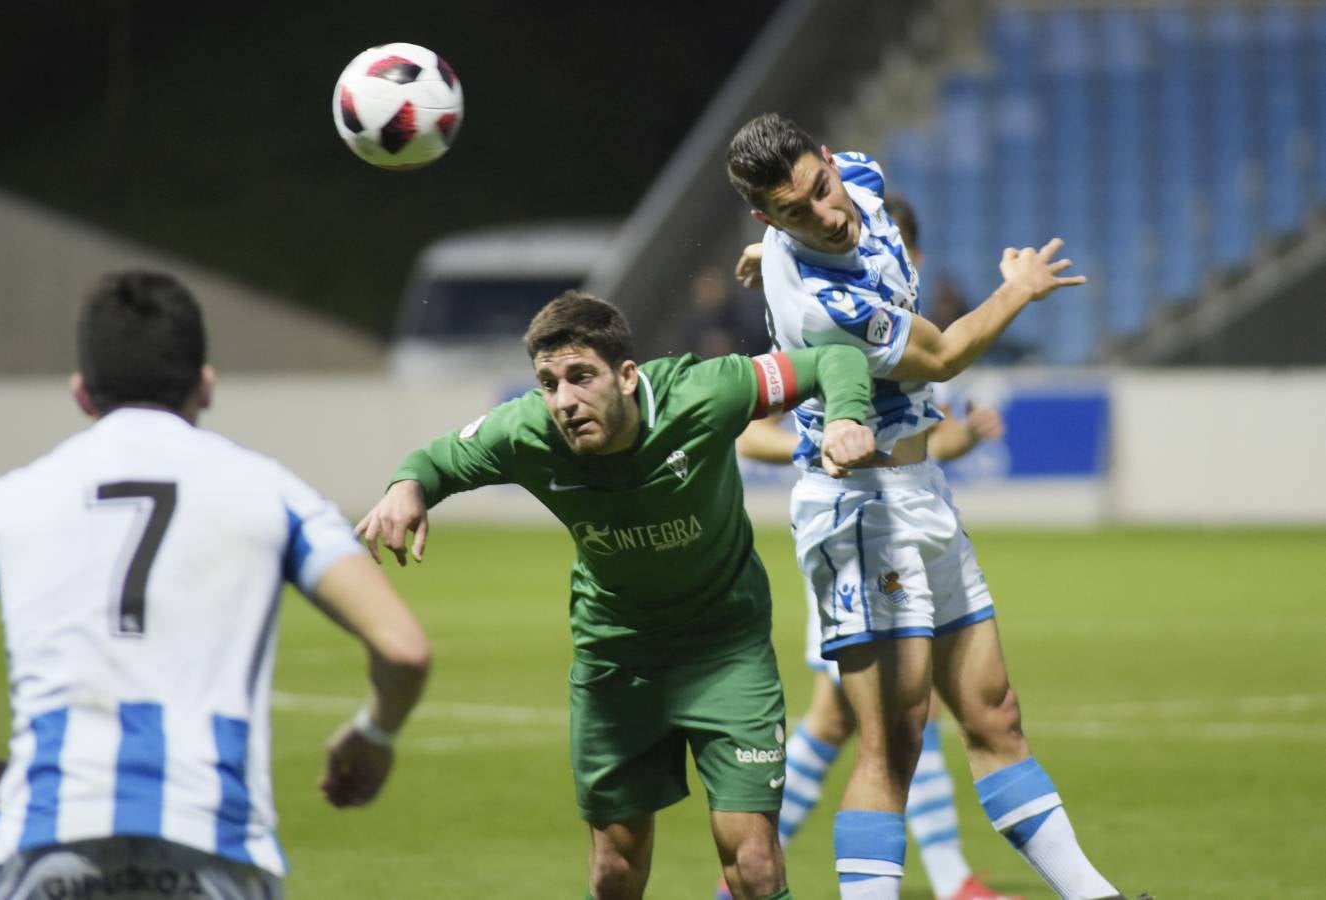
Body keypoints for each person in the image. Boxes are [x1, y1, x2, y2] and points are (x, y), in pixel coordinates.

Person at [724, 113, 1136, 900]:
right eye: (793, 215)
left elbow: (820, 208)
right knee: (891, 749)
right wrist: (1014, 292)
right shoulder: (823, 304)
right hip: (859, 509)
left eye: (820, 188)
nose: (826, 213)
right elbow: (943, 353)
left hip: (921, 494)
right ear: (766, 216)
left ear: (825, 159)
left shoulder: (856, 180)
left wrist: (768, 247)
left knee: (993, 714)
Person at [0, 271, 431, 900]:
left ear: (81, 393)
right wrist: (375, 733)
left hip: (45, 846)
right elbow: (404, 648)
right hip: (209, 851)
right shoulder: (271, 492)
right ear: (205, 385)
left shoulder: (14, 500)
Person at [355, 290, 877, 900]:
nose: (564, 401)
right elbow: (438, 459)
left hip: (726, 653)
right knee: (614, 872)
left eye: (581, 377)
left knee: (755, 866)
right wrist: (405, 488)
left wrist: (845, 415)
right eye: (549, 383)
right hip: (616, 659)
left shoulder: (704, 392)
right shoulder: (526, 430)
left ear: (627, 376)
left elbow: (831, 360)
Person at [724, 194, 1014, 900]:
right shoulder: (831, 318)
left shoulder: (893, 323)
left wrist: (961, 438)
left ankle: (740, 882)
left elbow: (902, 446)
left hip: (891, 527)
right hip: (850, 537)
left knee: (844, 722)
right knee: (892, 724)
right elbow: (748, 430)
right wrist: (815, 440)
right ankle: (949, 880)